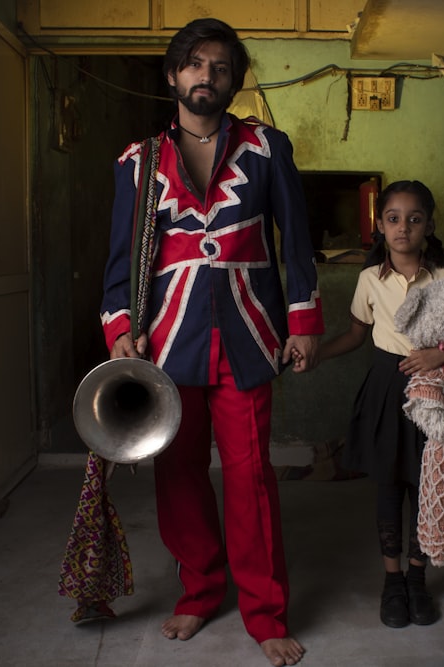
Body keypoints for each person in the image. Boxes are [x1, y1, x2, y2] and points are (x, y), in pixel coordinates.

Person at [99, 18, 322, 667]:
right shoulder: (137, 161)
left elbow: (297, 244)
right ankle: (199, 591)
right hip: (168, 341)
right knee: (178, 471)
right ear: (173, 75)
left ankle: (266, 612)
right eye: (194, 65)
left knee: (251, 476)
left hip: (251, 334)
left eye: (220, 67)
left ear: (233, 79)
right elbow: (118, 264)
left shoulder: (266, 147)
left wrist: (304, 323)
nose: (207, 76)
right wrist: (120, 333)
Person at [316, 180, 444, 629]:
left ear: (429, 226)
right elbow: (357, 335)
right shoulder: (368, 280)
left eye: (414, 219)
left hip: (436, 391)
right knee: (388, 485)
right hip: (386, 386)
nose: (403, 228)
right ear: (380, 226)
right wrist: (316, 353)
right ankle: (392, 581)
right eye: (394, 219)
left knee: (428, 486)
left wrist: (442, 353)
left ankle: (418, 580)